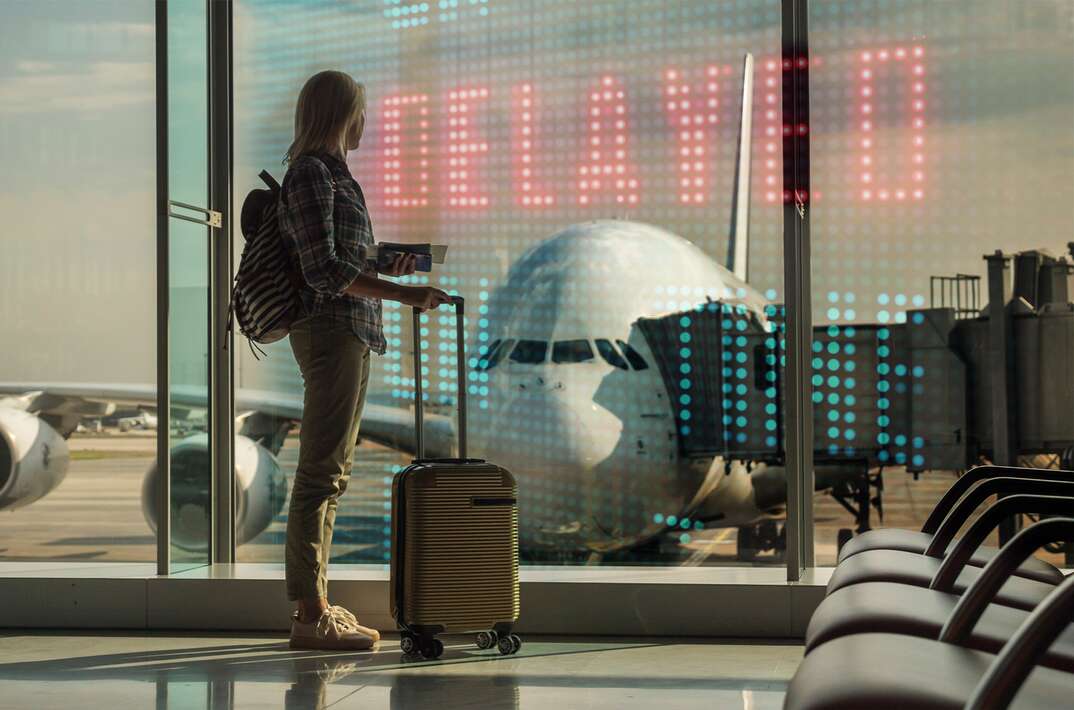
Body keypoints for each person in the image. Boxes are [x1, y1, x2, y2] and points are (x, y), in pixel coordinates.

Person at [277, 70, 451, 650]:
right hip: (330, 330)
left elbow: (345, 256)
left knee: (332, 473)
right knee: (320, 474)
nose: (366, 123)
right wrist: (405, 294)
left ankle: (316, 603)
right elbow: (323, 270)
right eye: (360, 112)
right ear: (341, 114)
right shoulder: (309, 174)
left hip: (349, 330)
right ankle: (308, 615)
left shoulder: (332, 176)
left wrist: (389, 262)